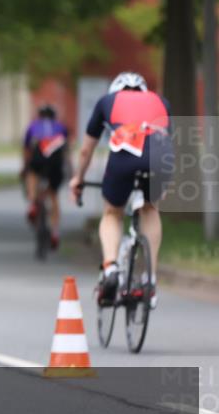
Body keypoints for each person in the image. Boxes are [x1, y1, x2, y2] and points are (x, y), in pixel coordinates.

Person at [69, 72, 172, 307]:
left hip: (126, 152)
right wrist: (165, 184)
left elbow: (85, 150)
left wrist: (78, 179)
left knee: (112, 212)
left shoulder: (107, 101)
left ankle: (110, 268)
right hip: (160, 156)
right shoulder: (161, 101)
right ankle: (150, 279)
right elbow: (169, 140)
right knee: (150, 208)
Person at [22, 104, 69, 250]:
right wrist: (70, 170)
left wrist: (24, 167)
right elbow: (66, 151)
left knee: (32, 174)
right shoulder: (61, 127)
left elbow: (27, 149)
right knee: (54, 195)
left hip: (39, 155)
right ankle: (55, 232)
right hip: (55, 160)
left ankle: (33, 203)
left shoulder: (33, 126)